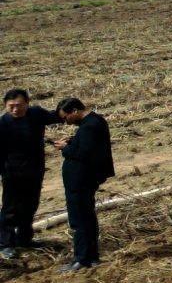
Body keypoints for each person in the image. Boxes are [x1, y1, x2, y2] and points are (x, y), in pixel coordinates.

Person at [55, 98, 114, 272]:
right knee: (87, 218)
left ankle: (82, 259)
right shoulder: (94, 121)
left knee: (79, 220)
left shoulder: (89, 126)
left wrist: (65, 148)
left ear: (74, 111)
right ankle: (91, 257)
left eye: (66, 118)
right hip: (85, 179)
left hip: (81, 180)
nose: (66, 122)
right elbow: (88, 145)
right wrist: (73, 140)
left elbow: (83, 153)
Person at [1, 89, 58, 261]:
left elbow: (57, 116)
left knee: (30, 206)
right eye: (11, 106)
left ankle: (25, 240)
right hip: (13, 173)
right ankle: (6, 244)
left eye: (18, 105)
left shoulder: (36, 114)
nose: (15, 110)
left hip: (35, 171)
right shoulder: (3, 124)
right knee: (10, 210)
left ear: (27, 103)